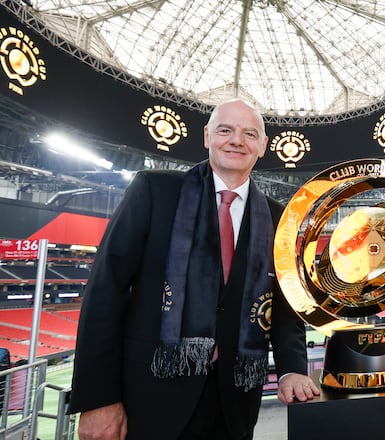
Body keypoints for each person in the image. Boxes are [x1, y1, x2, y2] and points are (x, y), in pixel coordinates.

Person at [69, 99, 319, 440]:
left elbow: (285, 307)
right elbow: (105, 293)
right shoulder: (154, 191)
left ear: (262, 146)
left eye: (249, 133)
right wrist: (98, 399)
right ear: (206, 137)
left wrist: (292, 369)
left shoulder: (278, 218)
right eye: (225, 130)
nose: (237, 140)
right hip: (149, 396)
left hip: (233, 404)